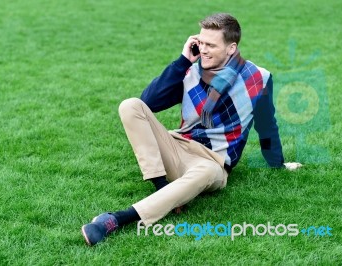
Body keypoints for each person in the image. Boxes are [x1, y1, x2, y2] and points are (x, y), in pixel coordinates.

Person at [81, 13, 302, 246]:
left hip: (212, 162)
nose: (203, 50)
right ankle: (163, 188)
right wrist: (182, 61)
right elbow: (149, 102)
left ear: (231, 47)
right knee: (130, 105)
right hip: (177, 145)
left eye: (211, 45)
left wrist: (278, 163)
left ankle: (117, 219)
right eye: (201, 42)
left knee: (206, 172)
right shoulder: (190, 71)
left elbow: (267, 126)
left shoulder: (259, 78)